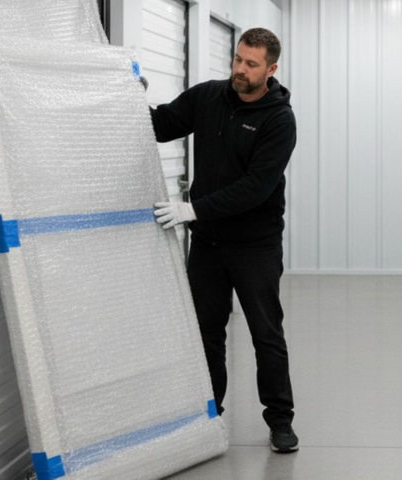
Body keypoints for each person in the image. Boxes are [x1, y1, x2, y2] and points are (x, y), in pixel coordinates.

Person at [148, 28, 298, 453]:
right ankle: (209, 414)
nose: (240, 70)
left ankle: (281, 421)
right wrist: (124, 96)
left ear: (271, 70)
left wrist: (191, 209)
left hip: (255, 246)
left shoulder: (278, 120)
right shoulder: (208, 98)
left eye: (251, 64)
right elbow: (160, 125)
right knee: (206, 332)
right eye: (237, 59)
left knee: (266, 334)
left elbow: (256, 187)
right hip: (209, 246)